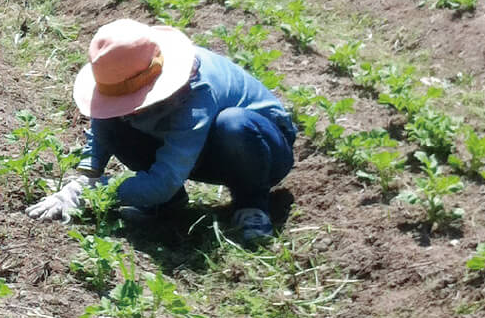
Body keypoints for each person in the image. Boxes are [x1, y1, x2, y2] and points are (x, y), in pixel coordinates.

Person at [27, 18, 297, 244]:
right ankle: (167, 205)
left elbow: (164, 180)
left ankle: (252, 203)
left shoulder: (196, 92)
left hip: (260, 150)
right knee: (114, 123)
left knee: (233, 125)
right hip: (202, 147)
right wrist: (87, 176)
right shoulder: (129, 72)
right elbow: (102, 123)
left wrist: (93, 193)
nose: (123, 109)